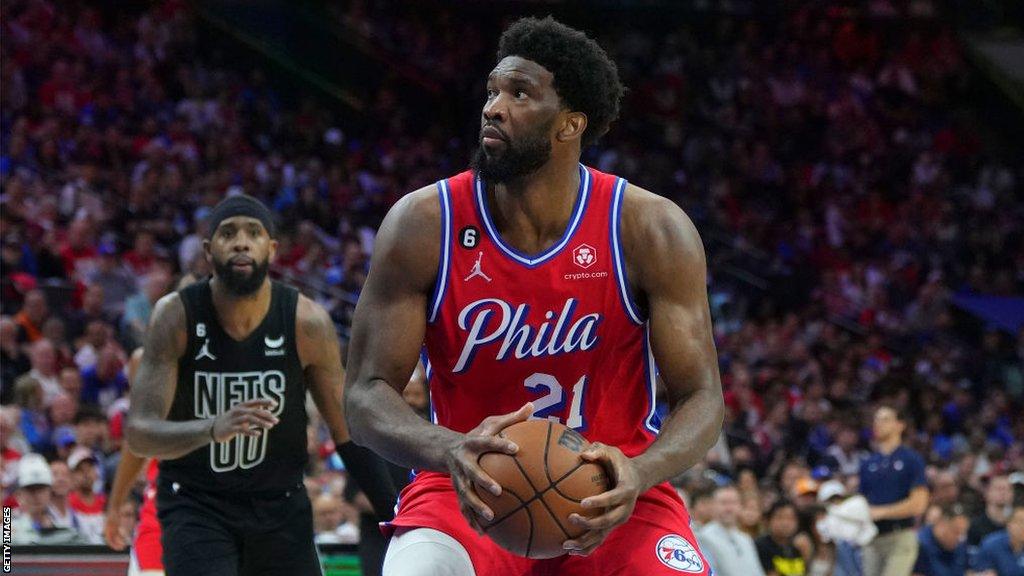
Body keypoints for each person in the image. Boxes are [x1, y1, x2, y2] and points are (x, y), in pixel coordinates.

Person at [344, 16, 724, 576]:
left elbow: (702, 397)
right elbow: (364, 395)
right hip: (466, 485)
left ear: (570, 123)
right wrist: (447, 449)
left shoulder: (649, 228)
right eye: (493, 90)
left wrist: (641, 472)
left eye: (519, 93)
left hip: (616, 493)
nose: (493, 107)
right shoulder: (424, 224)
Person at [126, 194, 397, 576]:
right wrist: (211, 428)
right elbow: (139, 432)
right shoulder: (176, 315)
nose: (240, 241)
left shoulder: (307, 321)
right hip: (196, 504)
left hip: (280, 507)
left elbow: (347, 434)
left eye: (253, 233)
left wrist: (396, 518)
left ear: (271, 249)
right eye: (228, 233)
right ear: (208, 251)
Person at [860, 406, 929, 576]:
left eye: (885, 419)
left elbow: (919, 504)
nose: (878, 424)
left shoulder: (911, 460)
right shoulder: (868, 463)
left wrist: (881, 512)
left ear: (900, 425)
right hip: (871, 538)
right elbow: (862, 502)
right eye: (876, 419)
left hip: (900, 535)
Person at [9, 453, 84, 544]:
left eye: (41, 489)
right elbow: (5, 557)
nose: (36, 495)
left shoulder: (66, 532)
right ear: (19, 495)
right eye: (30, 490)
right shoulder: (8, 531)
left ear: (49, 492)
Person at [697, 485, 767, 576]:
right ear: (713, 505)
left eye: (733, 503)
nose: (729, 508)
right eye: (723, 503)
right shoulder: (703, 537)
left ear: (740, 506)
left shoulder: (746, 539)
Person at [913, 504, 968, 576]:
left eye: (963, 532)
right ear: (942, 525)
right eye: (956, 532)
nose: (960, 538)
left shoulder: (960, 545)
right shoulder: (918, 545)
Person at [757, 500, 808, 576]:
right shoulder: (760, 546)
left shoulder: (797, 548)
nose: (786, 523)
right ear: (768, 520)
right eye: (780, 517)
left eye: (791, 518)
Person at [970, 505, 1024, 576]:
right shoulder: (991, 545)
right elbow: (976, 572)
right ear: (1009, 524)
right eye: (1020, 522)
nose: (1022, 527)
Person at [969, 474, 1014, 548]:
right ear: (987, 493)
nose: (1003, 493)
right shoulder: (976, 525)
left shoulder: (1016, 524)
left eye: (1008, 489)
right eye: (998, 489)